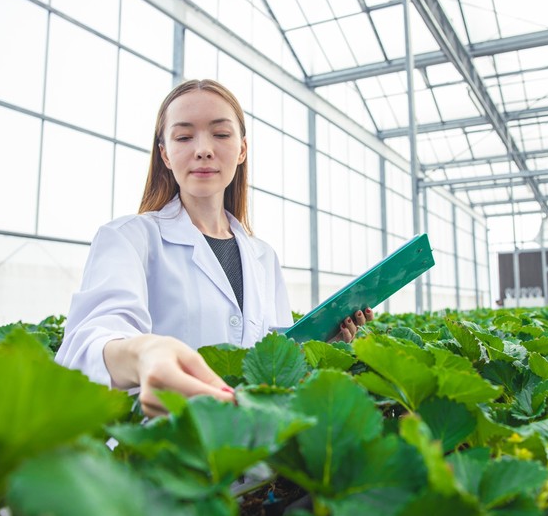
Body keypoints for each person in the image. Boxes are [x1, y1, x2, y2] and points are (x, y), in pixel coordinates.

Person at [55, 79, 372, 416]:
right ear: (164, 153)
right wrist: (143, 353)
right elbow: (89, 340)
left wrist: (321, 348)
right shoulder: (128, 238)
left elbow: (275, 359)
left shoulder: (264, 257)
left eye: (220, 134)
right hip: (166, 448)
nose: (203, 149)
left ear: (242, 150)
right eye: (183, 136)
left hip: (254, 450)